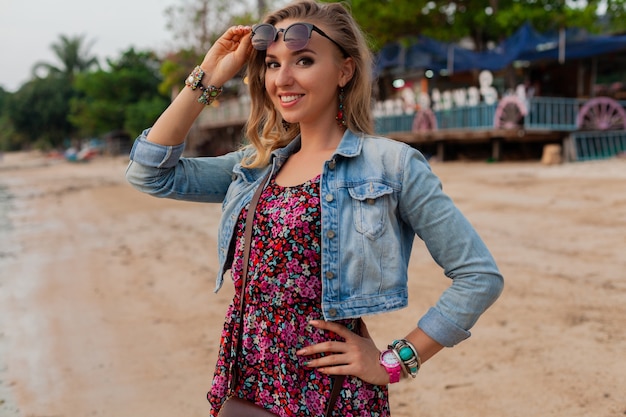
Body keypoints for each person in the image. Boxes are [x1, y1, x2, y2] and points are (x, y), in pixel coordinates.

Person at [125, 1, 504, 415]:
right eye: (272, 64)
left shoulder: (391, 165)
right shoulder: (256, 166)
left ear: (345, 70)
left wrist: (396, 361)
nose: (283, 78)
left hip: (329, 393)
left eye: (303, 60)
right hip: (247, 381)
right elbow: (149, 173)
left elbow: (478, 276)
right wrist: (208, 78)